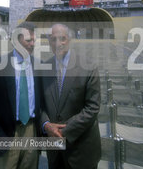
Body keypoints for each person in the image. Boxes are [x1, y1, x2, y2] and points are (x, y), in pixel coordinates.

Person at [0, 21, 41, 169]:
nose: (33, 44)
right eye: (28, 40)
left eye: (34, 40)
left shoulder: (38, 65)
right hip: (4, 131)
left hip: (31, 130)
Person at [41, 23, 101, 169]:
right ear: (49, 41)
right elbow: (39, 104)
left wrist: (62, 132)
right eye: (53, 39)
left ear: (70, 40)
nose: (58, 43)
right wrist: (46, 125)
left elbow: (92, 107)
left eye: (62, 39)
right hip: (54, 150)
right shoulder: (43, 68)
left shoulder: (88, 66)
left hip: (81, 149)